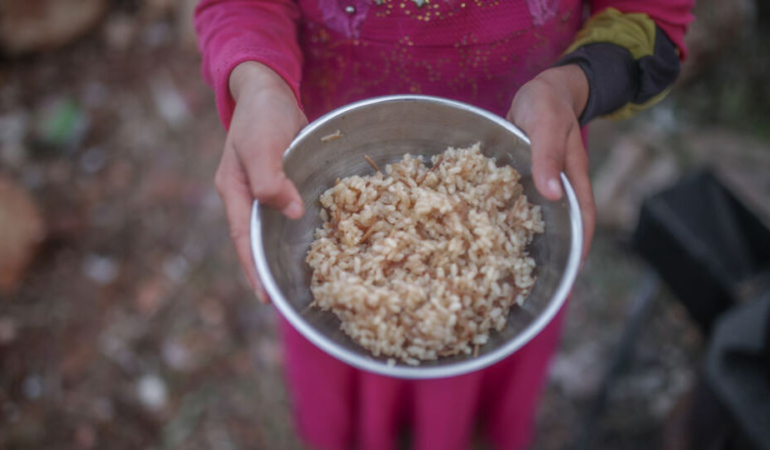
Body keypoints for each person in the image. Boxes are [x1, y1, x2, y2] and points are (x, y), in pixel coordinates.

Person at [195, 1, 693, 449]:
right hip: (326, 167)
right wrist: (259, 78)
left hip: (518, 181)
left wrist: (573, 84)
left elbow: (652, 21)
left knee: (474, 368)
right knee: (349, 374)